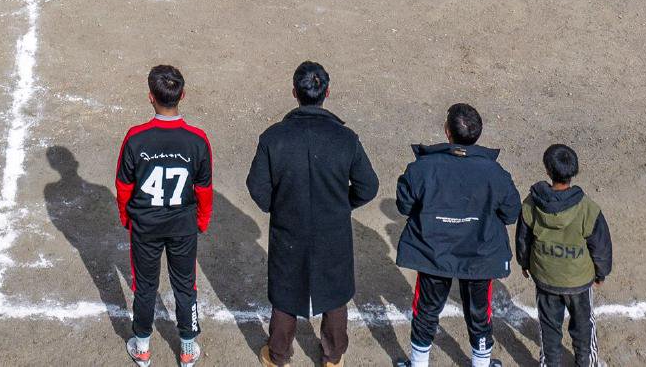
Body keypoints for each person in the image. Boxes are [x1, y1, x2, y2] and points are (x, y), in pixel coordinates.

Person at [246, 63, 377, 367]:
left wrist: (278, 207)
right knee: (334, 293)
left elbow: (257, 187)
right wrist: (342, 204)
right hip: (333, 229)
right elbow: (368, 186)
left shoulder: (273, 138)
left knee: (285, 292)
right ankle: (333, 357)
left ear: (295, 93)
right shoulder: (346, 139)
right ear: (326, 93)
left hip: (288, 228)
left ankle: (278, 355)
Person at [395, 103, 521, 367]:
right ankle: (481, 364)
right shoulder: (495, 173)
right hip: (480, 254)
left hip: (433, 252)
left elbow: (404, 206)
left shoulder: (422, 168)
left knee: (426, 309)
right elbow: (511, 213)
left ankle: (418, 364)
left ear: (446, 131)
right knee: (479, 312)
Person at [115, 65, 212, 367]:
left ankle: (142, 346)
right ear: (182, 95)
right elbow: (204, 189)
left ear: (150, 97)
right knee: (185, 285)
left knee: (145, 286)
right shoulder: (197, 140)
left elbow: (123, 186)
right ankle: (186, 346)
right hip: (183, 226)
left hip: (145, 226)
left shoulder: (135, 138)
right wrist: (202, 220)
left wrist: (127, 218)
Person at [515, 144, 611, 367]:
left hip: (546, 280)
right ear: (574, 172)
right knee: (583, 325)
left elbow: (523, 239)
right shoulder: (588, 208)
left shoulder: (530, 205)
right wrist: (601, 274)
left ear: (548, 171)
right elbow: (601, 246)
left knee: (549, 328)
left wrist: (524, 263)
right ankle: (586, 362)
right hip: (579, 282)